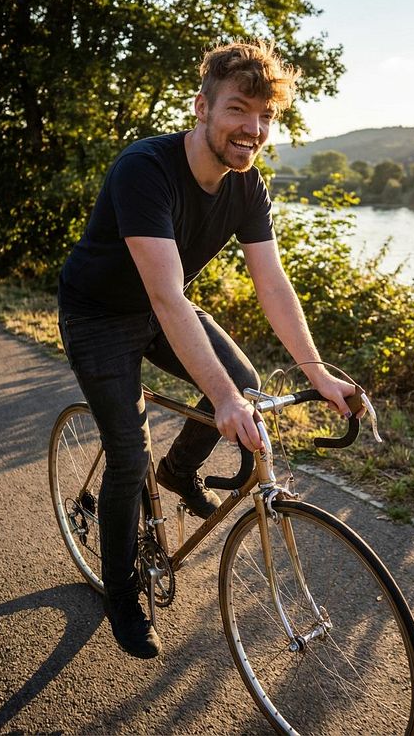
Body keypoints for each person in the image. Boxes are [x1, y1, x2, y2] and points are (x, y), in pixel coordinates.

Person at [58, 39, 359, 660]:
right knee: (128, 455)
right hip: (98, 316)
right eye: (239, 109)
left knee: (246, 379)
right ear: (203, 107)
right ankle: (121, 592)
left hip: (157, 306)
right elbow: (169, 298)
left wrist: (318, 372)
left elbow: (272, 284)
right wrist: (220, 399)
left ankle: (181, 469)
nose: (253, 129)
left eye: (266, 117)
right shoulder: (146, 168)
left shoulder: (248, 187)